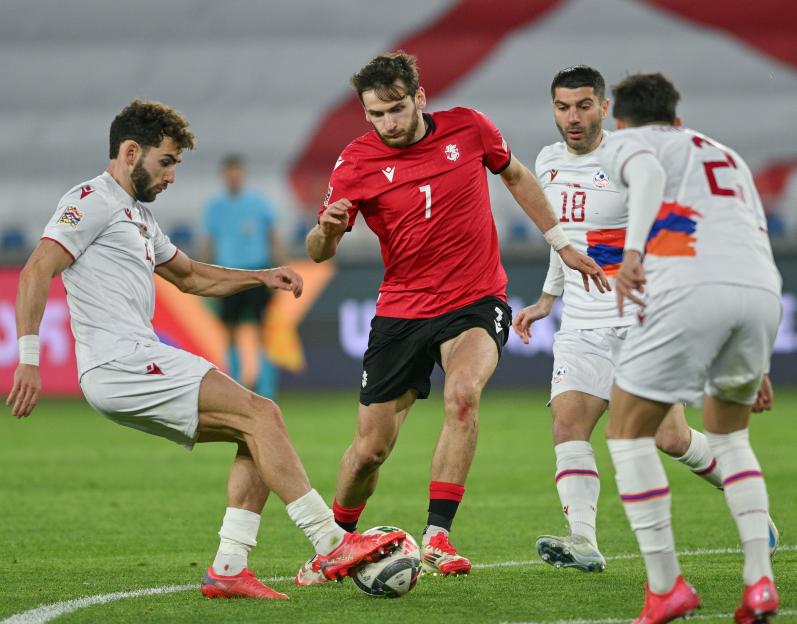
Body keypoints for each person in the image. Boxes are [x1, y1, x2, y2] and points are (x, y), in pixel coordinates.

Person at [6, 99, 404, 600]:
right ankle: (329, 541)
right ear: (130, 151)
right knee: (262, 413)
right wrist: (29, 358)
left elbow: (191, 275)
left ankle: (228, 567)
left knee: (254, 433)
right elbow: (36, 270)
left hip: (129, 360)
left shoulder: (139, 218)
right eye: (166, 161)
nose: (172, 176)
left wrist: (259, 276)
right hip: (121, 360)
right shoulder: (90, 200)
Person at [295, 51, 609, 585]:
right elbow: (319, 250)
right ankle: (338, 541)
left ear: (419, 98)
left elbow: (518, 178)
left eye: (396, 109)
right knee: (370, 450)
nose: (388, 123)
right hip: (402, 310)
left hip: (476, 298)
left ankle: (438, 535)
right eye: (376, 115)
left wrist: (561, 243)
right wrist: (325, 229)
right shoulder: (355, 162)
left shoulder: (470, 127)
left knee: (463, 394)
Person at [512, 66, 778, 574]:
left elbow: (673, 237)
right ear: (553, 108)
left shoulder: (634, 160)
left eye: (584, 105)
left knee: (669, 438)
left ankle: (751, 506)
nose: (573, 117)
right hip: (581, 318)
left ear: (605, 108)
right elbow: (563, 237)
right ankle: (583, 540)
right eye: (563, 106)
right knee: (567, 423)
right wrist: (549, 298)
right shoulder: (546, 161)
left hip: (640, 314)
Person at [597, 74, 781, 622]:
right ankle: (760, 583)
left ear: (620, 119)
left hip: (688, 289)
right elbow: (754, 230)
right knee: (730, 435)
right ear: (677, 117)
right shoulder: (724, 154)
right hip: (759, 294)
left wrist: (632, 252)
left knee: (628, 432)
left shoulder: (626, 143)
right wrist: (756, 353)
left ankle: (665, 587)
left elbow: (649, 172)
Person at [202, 154, 286, 396]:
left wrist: (279, 268)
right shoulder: (215, 207)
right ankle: (236, 386)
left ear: (243, 174)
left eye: (237, 171)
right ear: (224, 175)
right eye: (230, 172)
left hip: (258, 273)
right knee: (230, 332)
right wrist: (207, 277)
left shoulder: (258, 203)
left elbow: (273, 236)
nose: (234, 176)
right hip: (228, 275)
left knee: (262, 332)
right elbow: (209, 243)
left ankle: (267, 390)